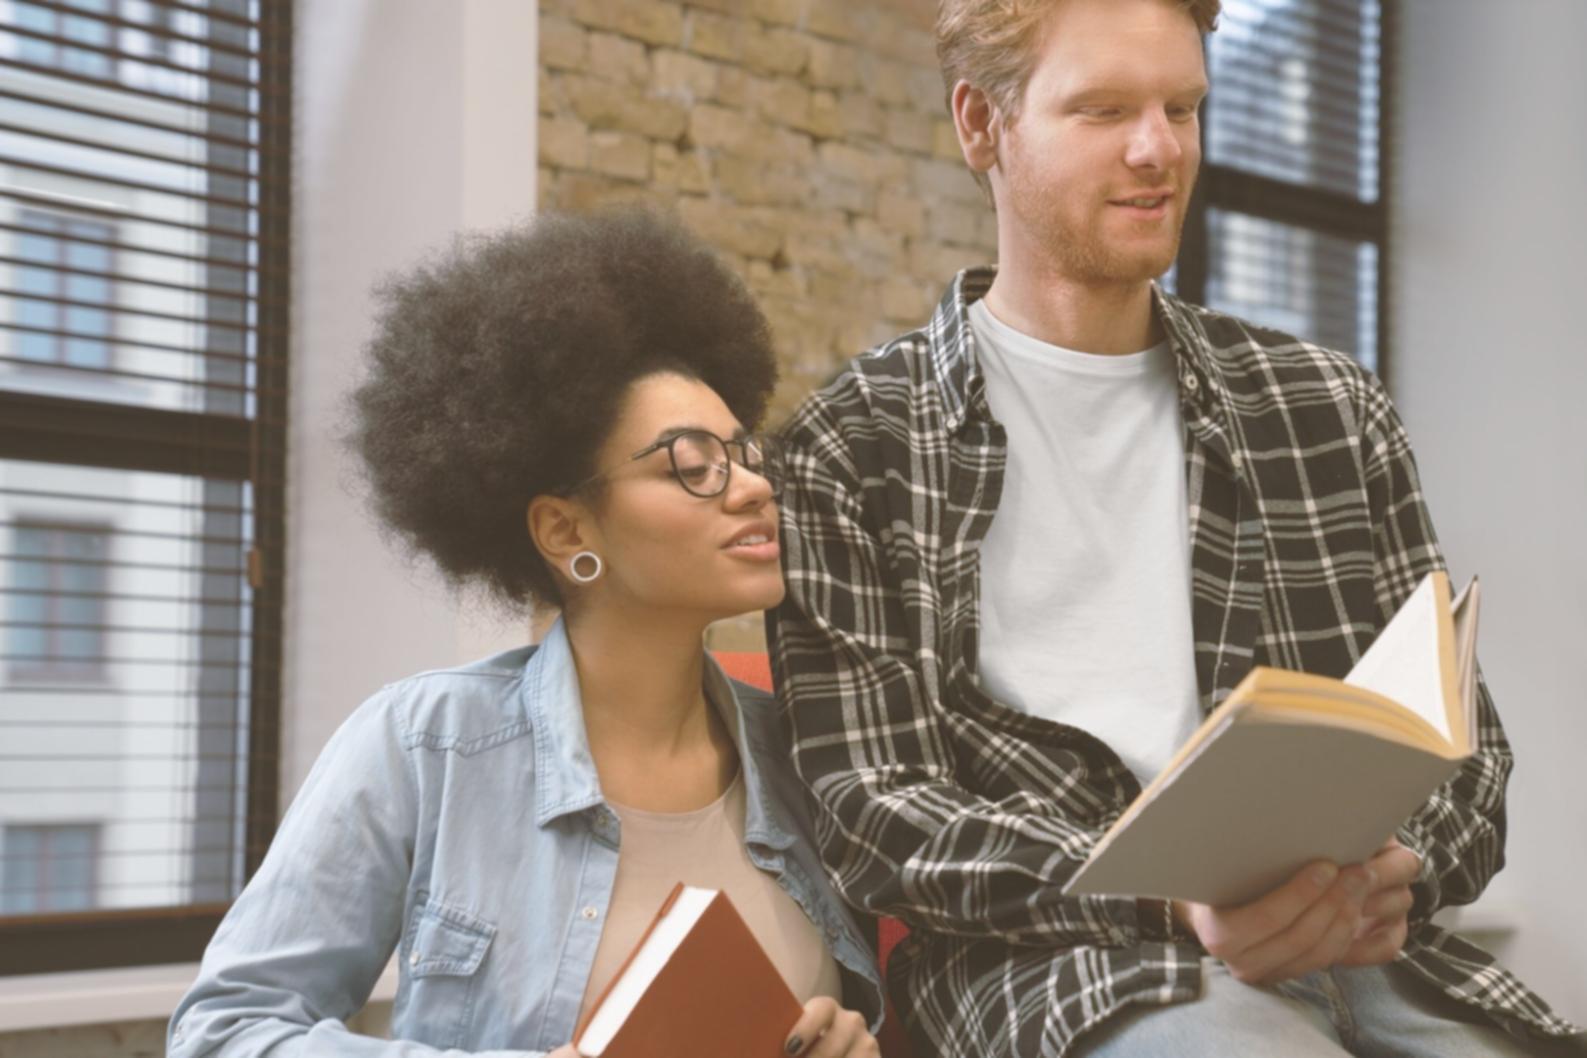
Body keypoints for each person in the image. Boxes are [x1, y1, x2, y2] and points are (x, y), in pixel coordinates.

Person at [766, 1, 1585, 1056]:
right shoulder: (853, 445)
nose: (1159, 149)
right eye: (1104, 110)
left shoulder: (1327, 405)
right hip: (1066, 971)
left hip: (1368, 956)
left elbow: (1467, 753)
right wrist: (1170, 896)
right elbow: (871, 811)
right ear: (982, 125)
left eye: (1183, 108)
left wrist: (1401, 873)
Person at [167, 209, 883, 1058]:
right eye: (691, 465)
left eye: (745, 453)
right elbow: (226, 1033)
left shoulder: (810, 758)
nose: (751, 490)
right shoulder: (428, 745)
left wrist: (848, 1041)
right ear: (564, 531)